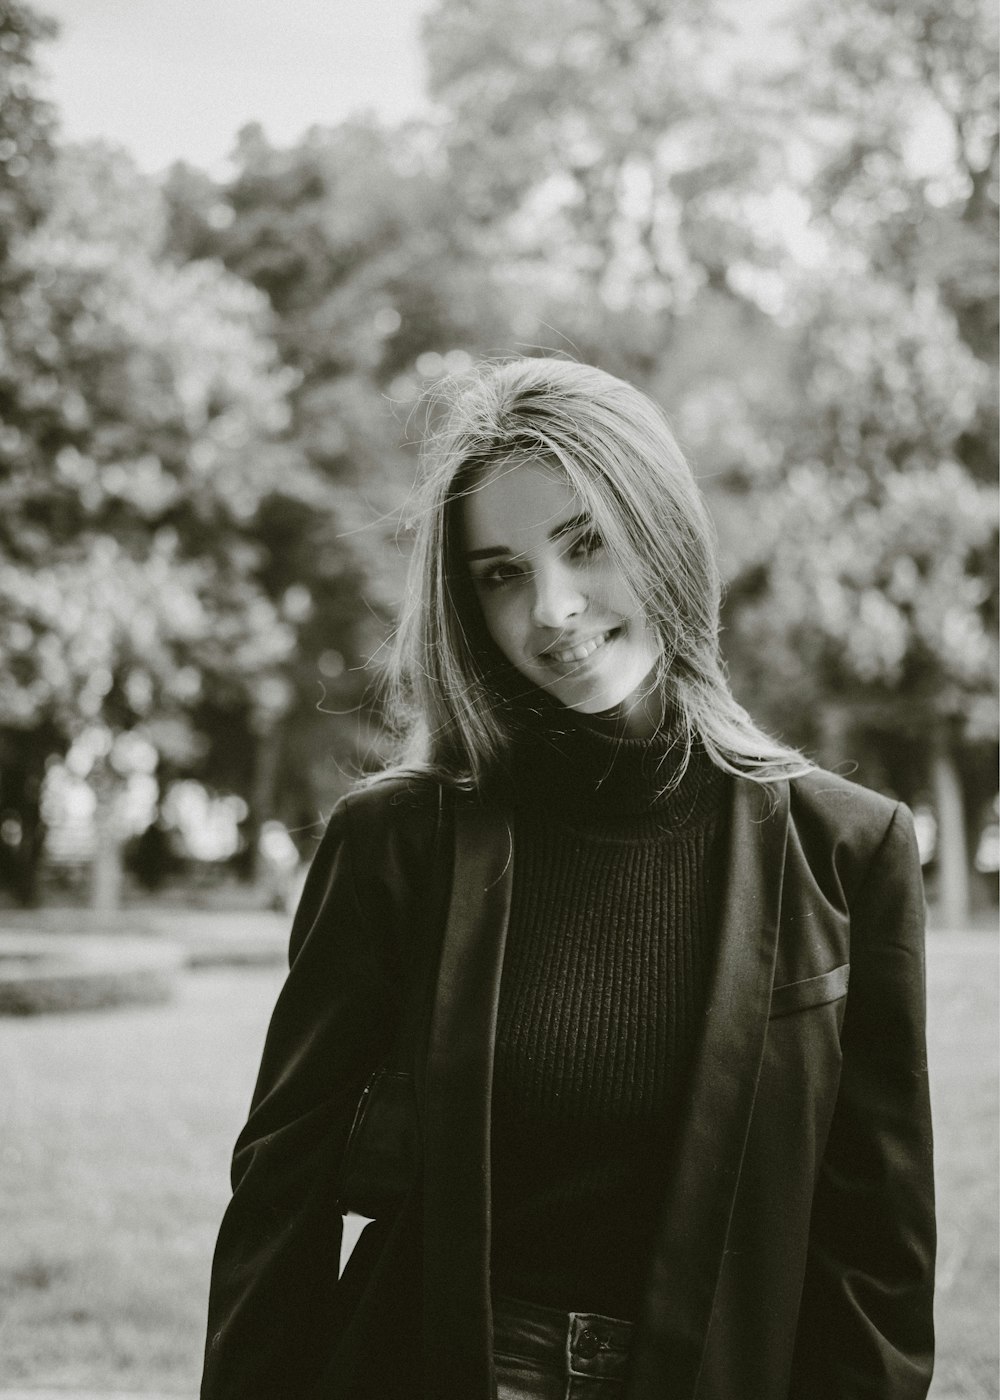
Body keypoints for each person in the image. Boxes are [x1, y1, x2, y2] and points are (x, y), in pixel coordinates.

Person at [201, 358, 935, 1400]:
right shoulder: (394, 844)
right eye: (500, 571)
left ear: (664, 532)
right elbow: (281, 1196)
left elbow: (876, 1258)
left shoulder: (845, 850)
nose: (551, 608)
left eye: (586, 543)